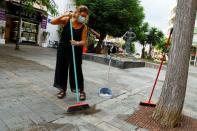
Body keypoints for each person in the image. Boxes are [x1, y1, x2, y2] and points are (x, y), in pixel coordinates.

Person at [51, 5, 88, 100]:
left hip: (76, 50)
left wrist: (77, 42)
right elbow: (52, 21)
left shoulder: (84, 27)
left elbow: (84, 41)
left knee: (77, 70)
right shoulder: (67, 20)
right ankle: (62, 89)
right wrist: (64, 14)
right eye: (81, 15)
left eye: (84, 16)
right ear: (77, 13)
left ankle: (81, 90)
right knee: (62, 68)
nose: (83, 18)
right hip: (63, 48)